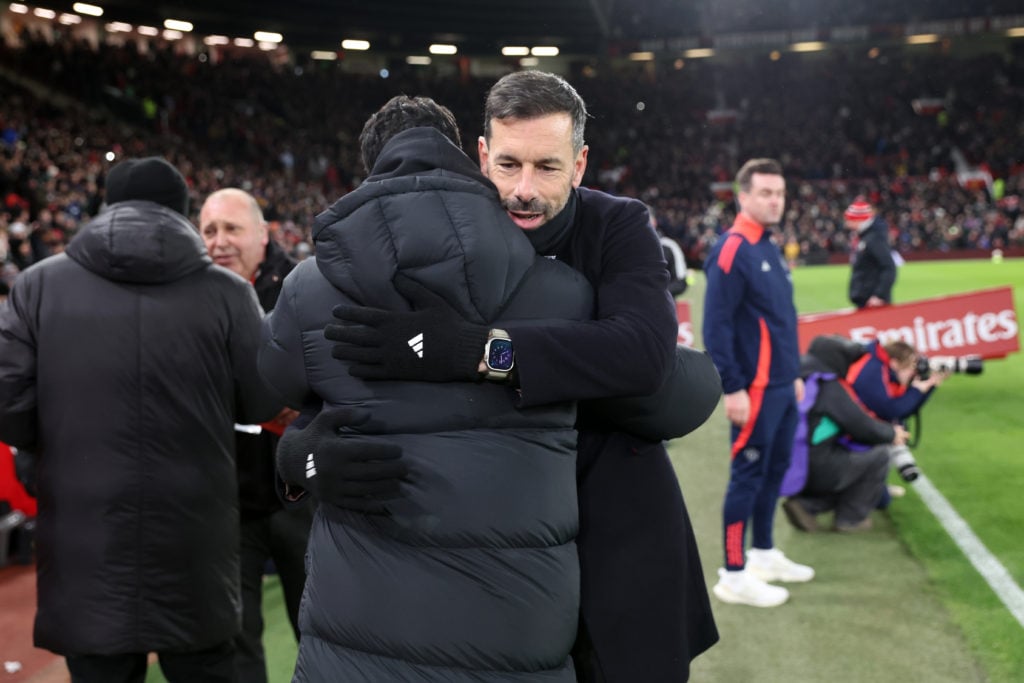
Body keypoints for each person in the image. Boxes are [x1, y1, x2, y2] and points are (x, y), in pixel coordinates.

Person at [321, 72, 720, 681]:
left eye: (548, 167)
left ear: (581, 163)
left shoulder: (617, 225)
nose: (523, 190)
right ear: (482, 155)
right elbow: (363, 361)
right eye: (508, 165)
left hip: (614, 531)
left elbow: (642, 354)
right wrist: (302, 454)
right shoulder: (438, 232)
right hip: (494, 551)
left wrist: (478, 353)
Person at [259, 95, 595, 681]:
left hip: (359, 628)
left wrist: (297, 455)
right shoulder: (564, 287)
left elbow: (272, 388)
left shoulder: (310, 288)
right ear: (470, 156)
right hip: (518, 629)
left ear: (370, 168)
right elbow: (675, 389)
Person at [0, 156, 278, 683]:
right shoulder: (229, 293)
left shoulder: (36, 287)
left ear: (108, 206)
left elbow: (8, 411)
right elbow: (261, 403)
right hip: (195, 551)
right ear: (182, 213)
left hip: (85, 547)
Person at [198, 188, 312, 683]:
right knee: (236, 640)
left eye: (231, 229)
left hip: (303, 499)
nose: (219, 242)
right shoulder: (190, 297)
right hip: (229, 505)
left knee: (321, 630)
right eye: (209, 231)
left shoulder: (304, 288)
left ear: (263, 235)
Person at [702, 158, 814, 608]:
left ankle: (763, 553)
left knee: (775, 470)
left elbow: (782, 321)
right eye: (765, 192)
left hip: (784, 386)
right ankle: (733, 573)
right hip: (755, 390)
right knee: (747, 476)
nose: (775, 200)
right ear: (742, 196)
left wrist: (797, 374)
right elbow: (717, 327)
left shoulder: (770, 245)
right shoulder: (731, 249)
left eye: (780, 193)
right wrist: (732, 388)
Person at [780, 337, 910, 533]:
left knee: (847, 459)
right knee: (880, 454)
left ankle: (807, 505)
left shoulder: (798, 373)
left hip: (788, 463)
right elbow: (861, 425)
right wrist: (891, 433)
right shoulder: (827, 385)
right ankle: (851, 519)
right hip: (814, 467)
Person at [845, 337, 945, 422]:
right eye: (910, 367)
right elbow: (891, 411)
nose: (913, 373)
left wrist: (929, 385)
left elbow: (905, 410)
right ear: (895, 363)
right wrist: (916, 391)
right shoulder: (872, 371)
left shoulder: (884, 369)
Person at [845, 198, 896, 309]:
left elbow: (889, 267)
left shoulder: (874, 239)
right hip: (866, 301)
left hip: (873, 303)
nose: (846, 223)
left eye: (849, 219)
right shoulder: (867, 237)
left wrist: (879, 295)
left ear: (857, 219)